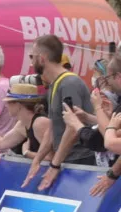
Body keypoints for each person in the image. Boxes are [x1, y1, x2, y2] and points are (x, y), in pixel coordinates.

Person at [30, 34, 96, 190]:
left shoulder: (69, 83)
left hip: (80, 160)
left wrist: (54, 165)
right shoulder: (56, 84)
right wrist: (37, 160)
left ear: (42, 58)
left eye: (32, 56)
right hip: (67, 159)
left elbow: (73, 128)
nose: (31, 60)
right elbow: (52, 129)